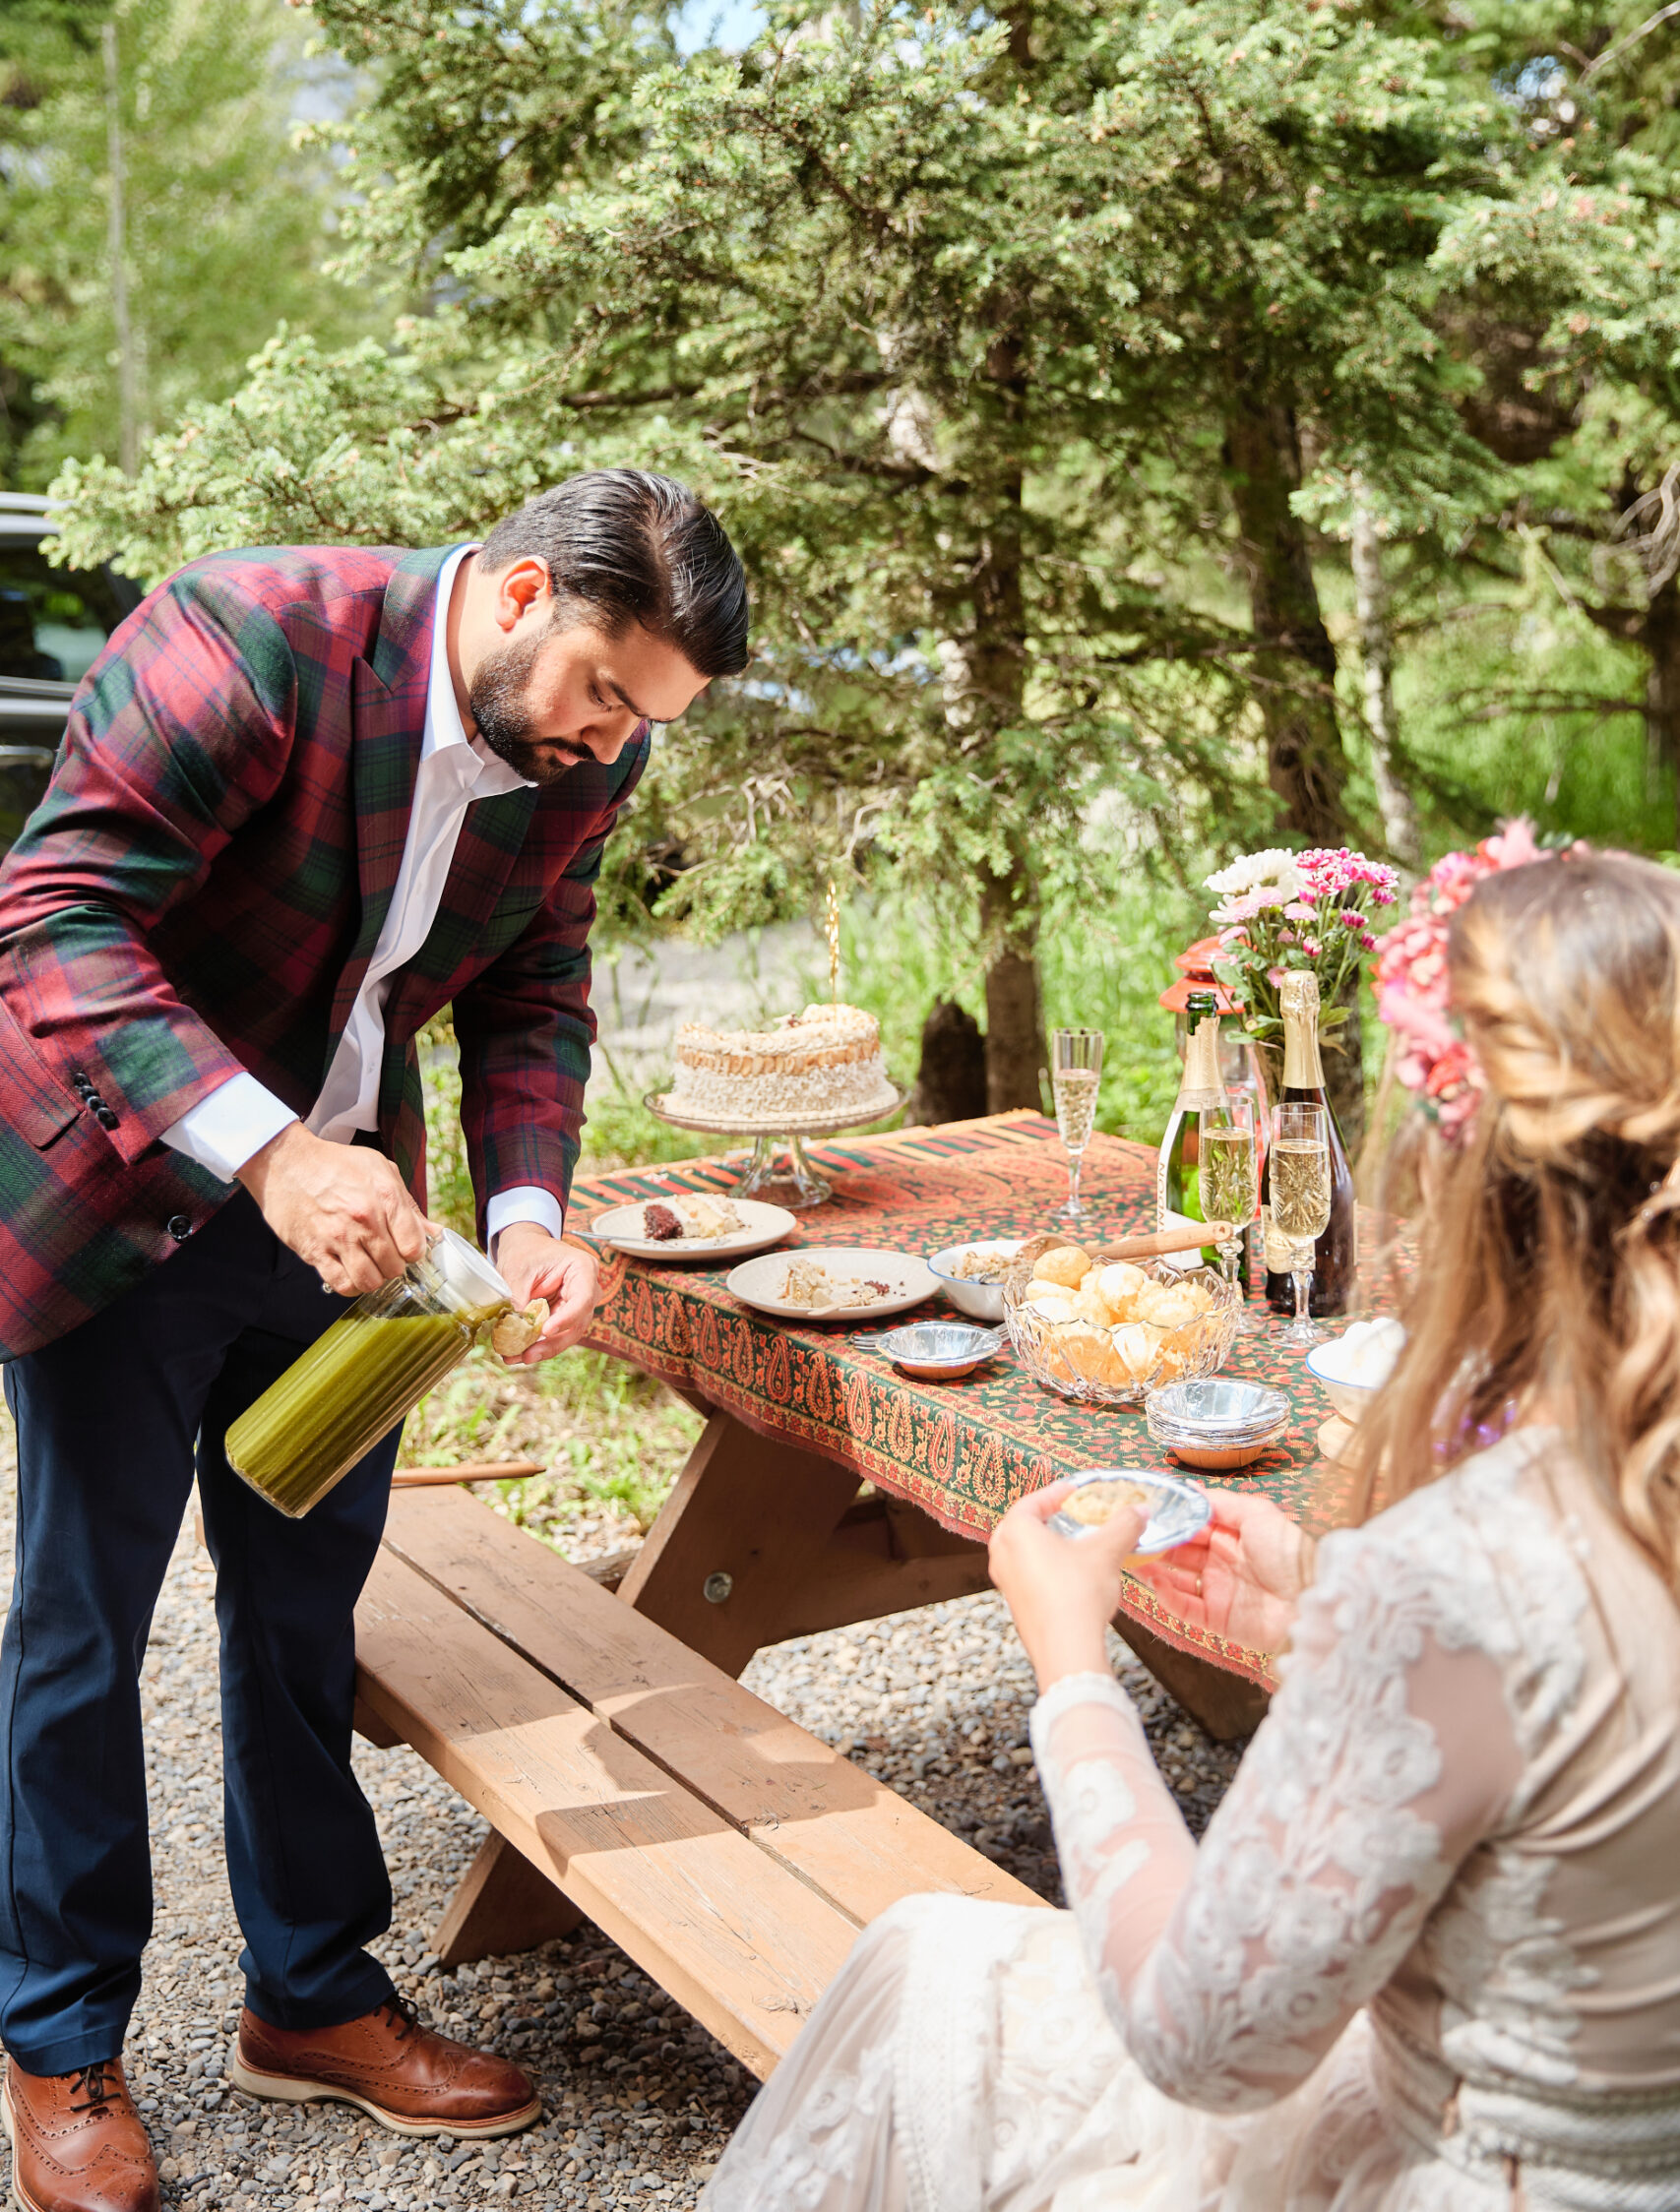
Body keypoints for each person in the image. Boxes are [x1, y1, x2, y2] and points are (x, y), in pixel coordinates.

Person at [704, 849, 1680, 2211]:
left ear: (1459, 1179)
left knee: (923, 1968)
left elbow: (1203, 2040)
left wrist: (1072, 1669)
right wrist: (1319, 1629)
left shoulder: (1460, 1571)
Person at [0, 470, 748, 2212]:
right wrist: (268, 1153)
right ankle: (58, 2041)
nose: (615, 745)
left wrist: (529, 1215)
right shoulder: (243, 640)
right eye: (606, 695)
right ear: (511, 595)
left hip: (358, 1237)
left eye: (648, 722)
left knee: (303, 1604)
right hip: (134, 1185)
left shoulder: (588, 755)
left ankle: (312, 1993)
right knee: (81, 1629)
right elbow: (54, 922)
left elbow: (533, 982)